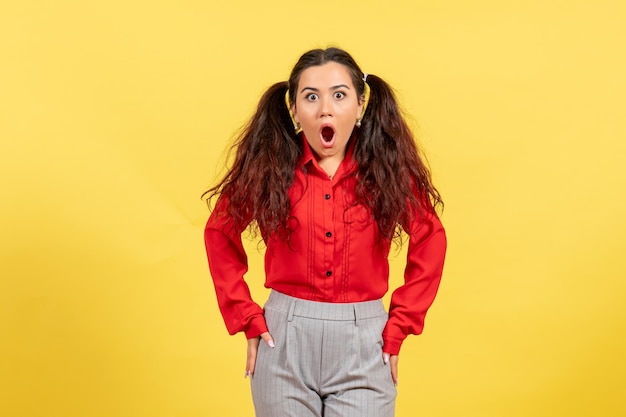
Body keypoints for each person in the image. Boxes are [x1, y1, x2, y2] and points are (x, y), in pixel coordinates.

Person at [203, 47, 446, 417]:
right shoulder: (269, 168)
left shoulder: (387, 171)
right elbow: (220, 230)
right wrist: (245, 316)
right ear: (294, 109)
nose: (325, 109)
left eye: (339, 94)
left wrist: (400, 325)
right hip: (283, 342)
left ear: (360, 105)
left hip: (364, 343)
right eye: (311, 97)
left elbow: (430, 237)